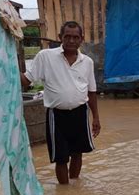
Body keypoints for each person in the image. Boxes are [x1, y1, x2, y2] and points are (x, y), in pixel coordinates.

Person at [20, 21, 101, 185]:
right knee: (61, 157)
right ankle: (64, 190)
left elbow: (91, 91)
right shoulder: (45, 56)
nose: (71, 41)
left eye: (75, 37)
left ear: (81, 39)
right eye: (67, 37)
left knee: (78, 153)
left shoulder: (87, 62)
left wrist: (96, 118)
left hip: (80, 112)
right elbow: (26, 80)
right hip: (56, 115)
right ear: (60, 38)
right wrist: (9, 65)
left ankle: (74, 190)